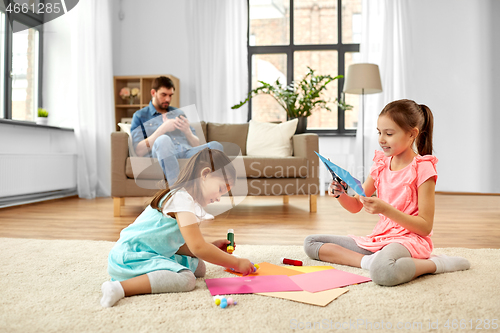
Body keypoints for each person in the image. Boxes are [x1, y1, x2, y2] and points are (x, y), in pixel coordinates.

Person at [304, 99, 470, 286]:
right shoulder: (381, 164)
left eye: (389, 133)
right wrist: (340, 194)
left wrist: (385, 209)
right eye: (379, 132)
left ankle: (436, 263)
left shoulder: (423, 169)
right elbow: (356, 205)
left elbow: (424, 226)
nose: (381, 139)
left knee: (384, 272)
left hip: (409, 240)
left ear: (411, 134)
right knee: (311, 243)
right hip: (380, 238)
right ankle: (370, 261)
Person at [100, 148, 255, 307]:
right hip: (131, 257)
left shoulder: (186, 199)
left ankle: (142, 277)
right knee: (187, 279)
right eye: (221, 189)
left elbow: (176, 243)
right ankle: (119, 288)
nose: (218, 198)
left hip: (149, 250)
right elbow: (198, 247)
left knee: (199, 267)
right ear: (205, 174)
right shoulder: (181, 199)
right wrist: (235, 262)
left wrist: (212, 246)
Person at [130, 76, 223, 185]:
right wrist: (162, 129)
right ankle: (176, 191)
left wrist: (187, 131)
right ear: (153, 92)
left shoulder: (178, 113)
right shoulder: (140, 115)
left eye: (170, 95)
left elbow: (196, 144)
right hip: (163, 152)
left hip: (186, 151)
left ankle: (209, 190)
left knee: (216, 146)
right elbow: (139, 150)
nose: (168, 99)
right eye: (164, 95)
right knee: (163, 140)